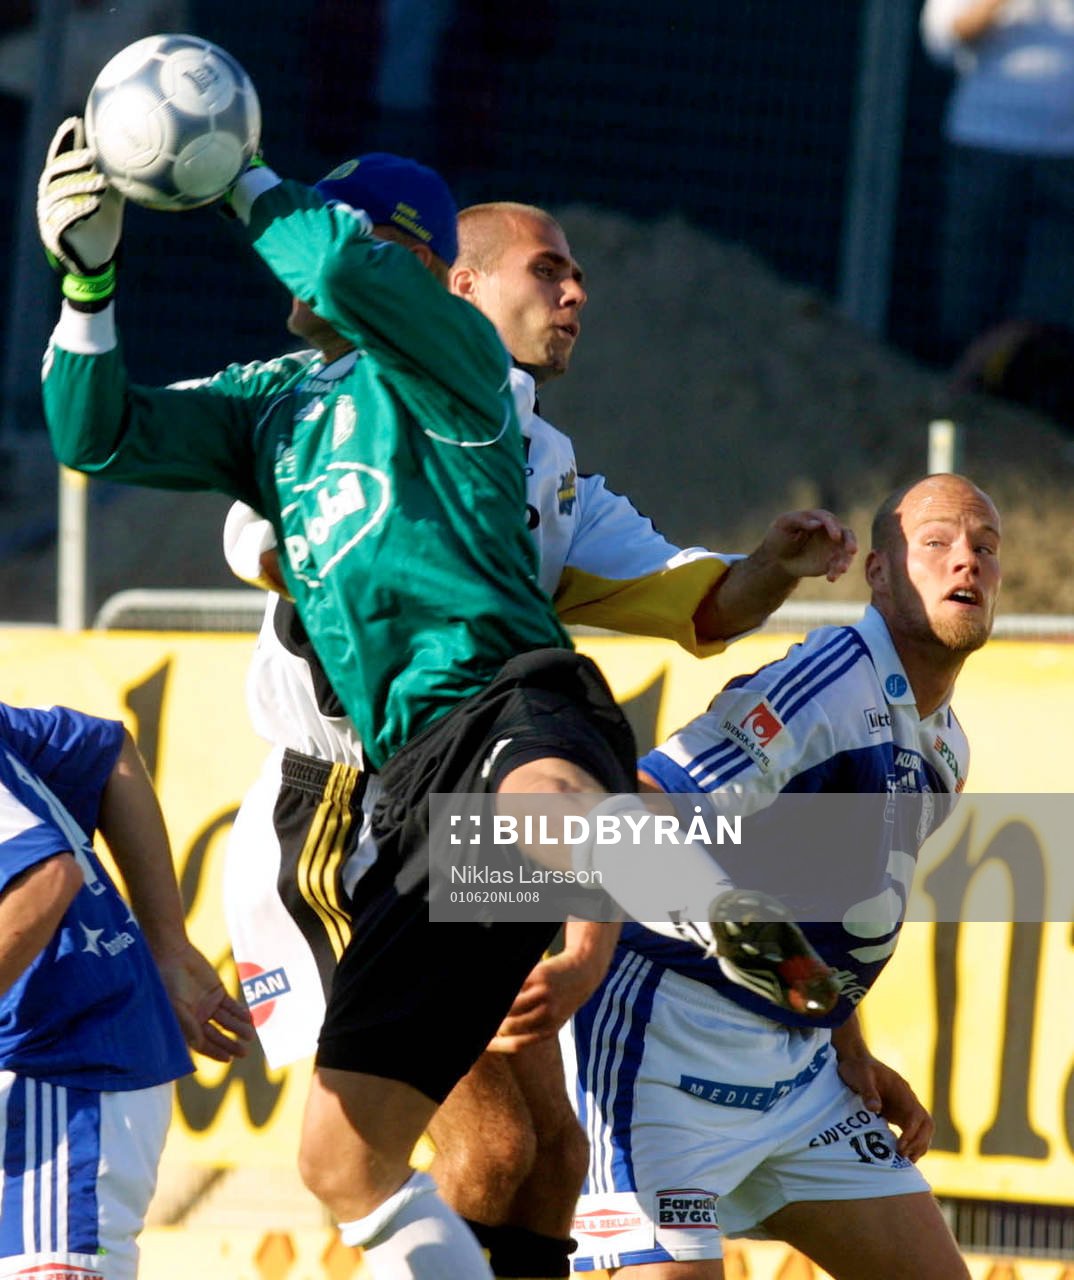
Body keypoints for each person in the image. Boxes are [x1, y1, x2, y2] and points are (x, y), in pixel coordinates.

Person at [37, 130, 845, 1278]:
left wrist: (763, 565)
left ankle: (675, 881)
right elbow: (104, 433)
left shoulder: (516, 427)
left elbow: (685, 600)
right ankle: (692, 870)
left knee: (545, 1148)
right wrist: (87, 283)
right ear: (436, 268)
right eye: (548, 270)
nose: (575, 295)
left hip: (499, 726)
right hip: (340, 823)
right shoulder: (278, 410)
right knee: (464, 1142)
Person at [566, 472, 999, 1279]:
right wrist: (587, 958)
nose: (964, 563)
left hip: (799, 1079)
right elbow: (645, 805)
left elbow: (833, 918)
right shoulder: (828, 683)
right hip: (666, 1052)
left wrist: (848, 1046)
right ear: (878, 572)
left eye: (984, 548)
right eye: (935, 544)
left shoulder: (949, 748)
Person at [0, 700, 252, 1280]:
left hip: (60, 1065)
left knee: (361, 1174)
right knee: (357, 1172)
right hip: (56, 1060)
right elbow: (109, 751)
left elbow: (45, 877)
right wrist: (167, 942)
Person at [921, 0, 1074, 362]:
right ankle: (958, 399)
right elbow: (944, 41)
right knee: (970, 298)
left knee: (1051, 306)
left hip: (1066, 157)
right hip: (987, 143)